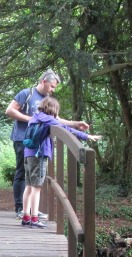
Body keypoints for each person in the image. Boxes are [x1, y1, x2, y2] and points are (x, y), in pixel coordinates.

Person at [5, 69, 91, 219]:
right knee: (22, 172)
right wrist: (32, 119)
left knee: (36, 176)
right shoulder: (27, 93)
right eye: (51, 86)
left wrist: (75, 124)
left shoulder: (47, 100)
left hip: (39, 143)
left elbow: (56, 120)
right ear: (43, 82)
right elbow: (10, 110)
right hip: (22, 138)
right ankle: (20, 209)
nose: (53, 90)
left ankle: (32, 210)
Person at [21, 96, 101, 229]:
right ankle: (34, 218)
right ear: (53, 110)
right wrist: (86, 136)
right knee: (37, 187)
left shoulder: (35, 117)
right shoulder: (48, 120)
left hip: (28, 154)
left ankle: (26, 216)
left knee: (29, 186)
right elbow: (65, 129)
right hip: (39, 156)